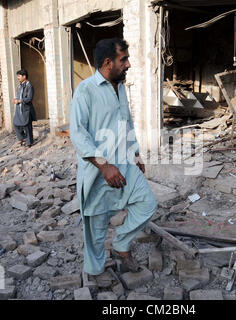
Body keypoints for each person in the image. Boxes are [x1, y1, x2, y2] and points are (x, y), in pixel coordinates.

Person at [70, 38, 158, 277]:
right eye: (124, 59)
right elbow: (78, 134)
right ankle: (95, 273)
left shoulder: (120, 88)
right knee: (96, 231)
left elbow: (126, 123)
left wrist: (136, 153)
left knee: (147, 204)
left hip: (126, 164)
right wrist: (104, 165)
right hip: (98, 172)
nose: (128, 64)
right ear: (108, 62)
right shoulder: (85, 90)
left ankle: (120, 245)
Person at [12, 69, 36, 147]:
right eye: (17, 76)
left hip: (26, 109)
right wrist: (15, 99)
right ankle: (22, 138)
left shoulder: (29, 86)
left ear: (24, 76)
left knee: (27, 126)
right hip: (19, 109)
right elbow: (18, 95)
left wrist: (19, 101)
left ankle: (29, 142)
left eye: (19, 76)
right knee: (15, 123)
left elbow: (29, 98)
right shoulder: (19, 86)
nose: (18, 78)